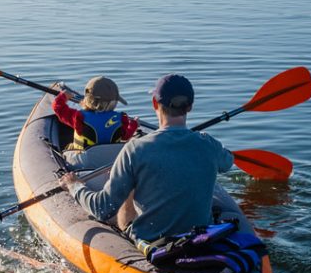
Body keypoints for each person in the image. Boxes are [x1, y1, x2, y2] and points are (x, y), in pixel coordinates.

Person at [58, 73, 233, 242]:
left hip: (151, 242)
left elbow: (102, 209)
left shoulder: (135, 149)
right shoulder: (209, 144)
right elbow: (228, 162)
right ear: (190, 106)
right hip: (200, 236)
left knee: (130, 188)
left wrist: (74, 185)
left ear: (154, 103)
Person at [53, 75, 139, 151]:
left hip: (83, 162)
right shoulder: (121, 118)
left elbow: (58, 108)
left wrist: (63, 96)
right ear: (114, 102)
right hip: (111, 161)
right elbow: (126, 136)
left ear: (87, 98)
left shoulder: (79, 117)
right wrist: (134, 124)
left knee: (68, 147)